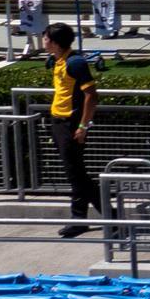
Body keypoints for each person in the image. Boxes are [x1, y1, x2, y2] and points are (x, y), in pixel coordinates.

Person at [38, 23, 101, 239]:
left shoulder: (75, 63)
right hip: (58, 123)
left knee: (77, 175)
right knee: (77, 174)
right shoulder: (57, 60)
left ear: (54, 42)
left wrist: (83, 126)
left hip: (70, 125)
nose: (43, 41)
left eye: (45, 38)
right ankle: (93, 217)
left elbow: (91, 95)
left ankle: (93, 217)